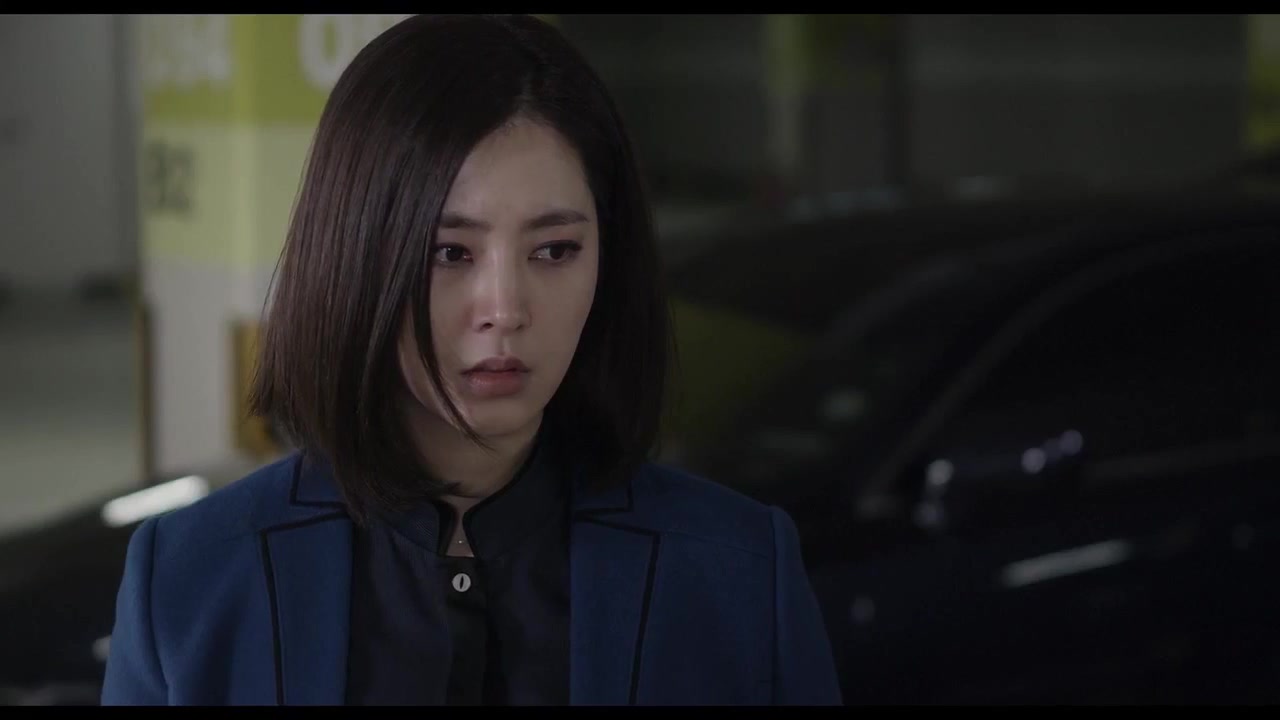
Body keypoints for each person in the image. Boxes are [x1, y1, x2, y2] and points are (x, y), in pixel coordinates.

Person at [101, 14, 841, 706]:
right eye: (450, 253)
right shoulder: (191, 578)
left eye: (555, 250)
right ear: (354, 258)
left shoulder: (737, 570)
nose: (506, 307)